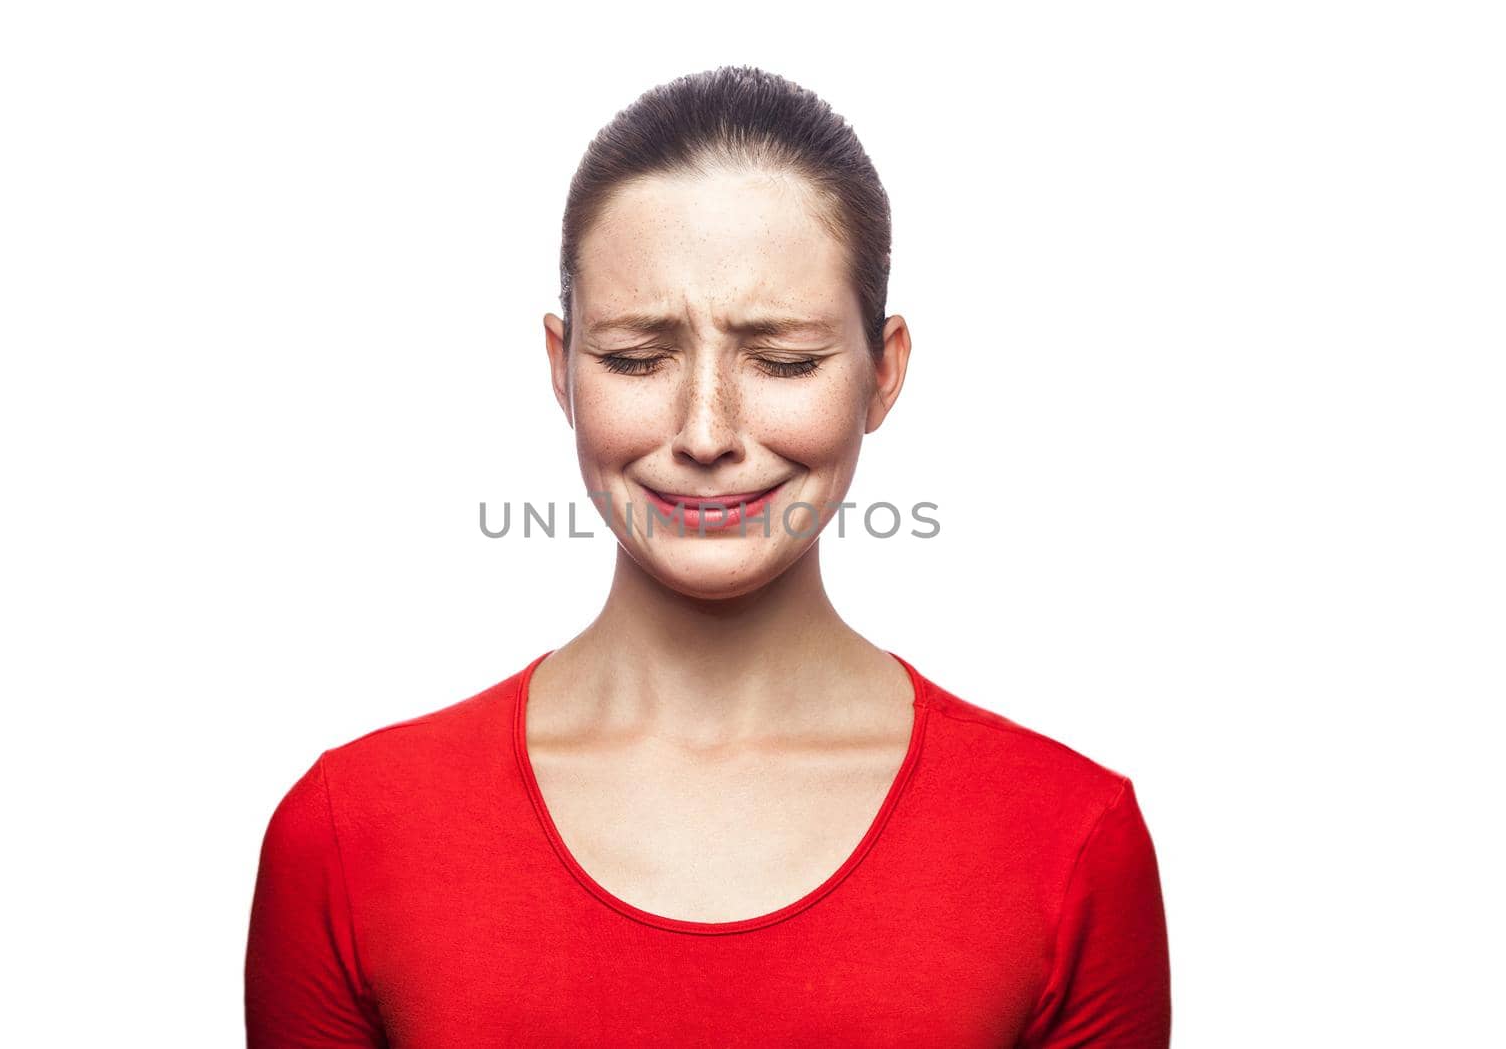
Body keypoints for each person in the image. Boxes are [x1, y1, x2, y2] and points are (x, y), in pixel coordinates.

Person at [244, 64, 1171, 1048]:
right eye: (638, 357)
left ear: (882, 373)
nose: (704, 432)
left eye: (782, 360)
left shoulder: (1065, 838)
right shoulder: (352, 834)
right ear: (560, 368)